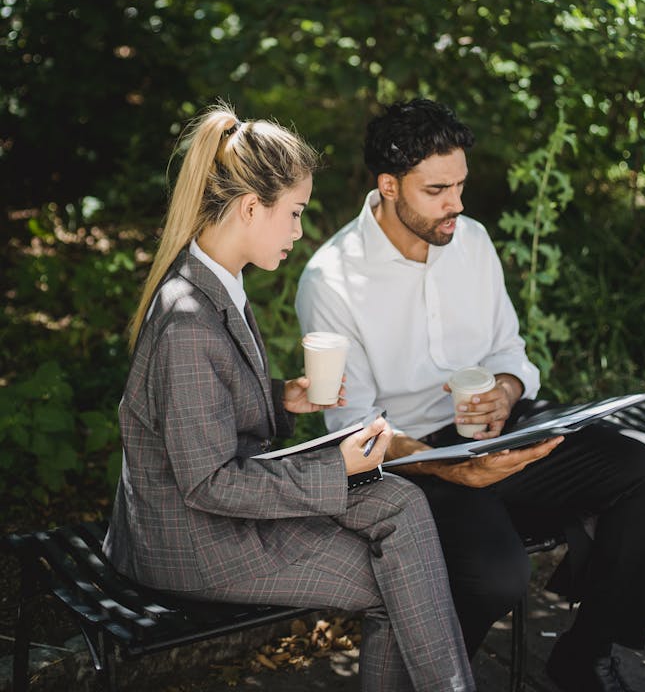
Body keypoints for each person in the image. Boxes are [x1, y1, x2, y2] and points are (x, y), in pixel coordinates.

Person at [296, 97, 645, 692]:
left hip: (499, 434)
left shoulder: (470, 241)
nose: (457, 204)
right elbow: (352, 429)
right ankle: (434, 676)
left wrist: (505, 389)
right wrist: (451, 472)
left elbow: (510, 351)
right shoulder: (331, 279)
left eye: (461, 185)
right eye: (438, 190)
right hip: (412, 459)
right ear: (389, 186)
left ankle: (586, 653)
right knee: (500, 575)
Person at [103, 101, 475, 692]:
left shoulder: (214, 280)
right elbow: (209, 484)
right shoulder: (189, 321)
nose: (301, 231)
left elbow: (201, 410)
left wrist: (282, 399)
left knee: (401, 502)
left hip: (216, 509)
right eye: (295, 213)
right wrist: (336, 468)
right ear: (252, 207)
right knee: (399, 586)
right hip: (192, 542)